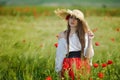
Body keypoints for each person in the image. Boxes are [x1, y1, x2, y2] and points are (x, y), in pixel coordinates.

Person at [54, 9, 94, 80]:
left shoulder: (85, 35)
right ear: (68, 18)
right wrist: (59, 70)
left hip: (82, 64)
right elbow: (60, 55)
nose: (73, 20)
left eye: (76, 19)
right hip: (67, 64)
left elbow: (88, 55)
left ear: (80, 22)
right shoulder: (63, 34)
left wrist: (90, 40)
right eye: (71, 17)